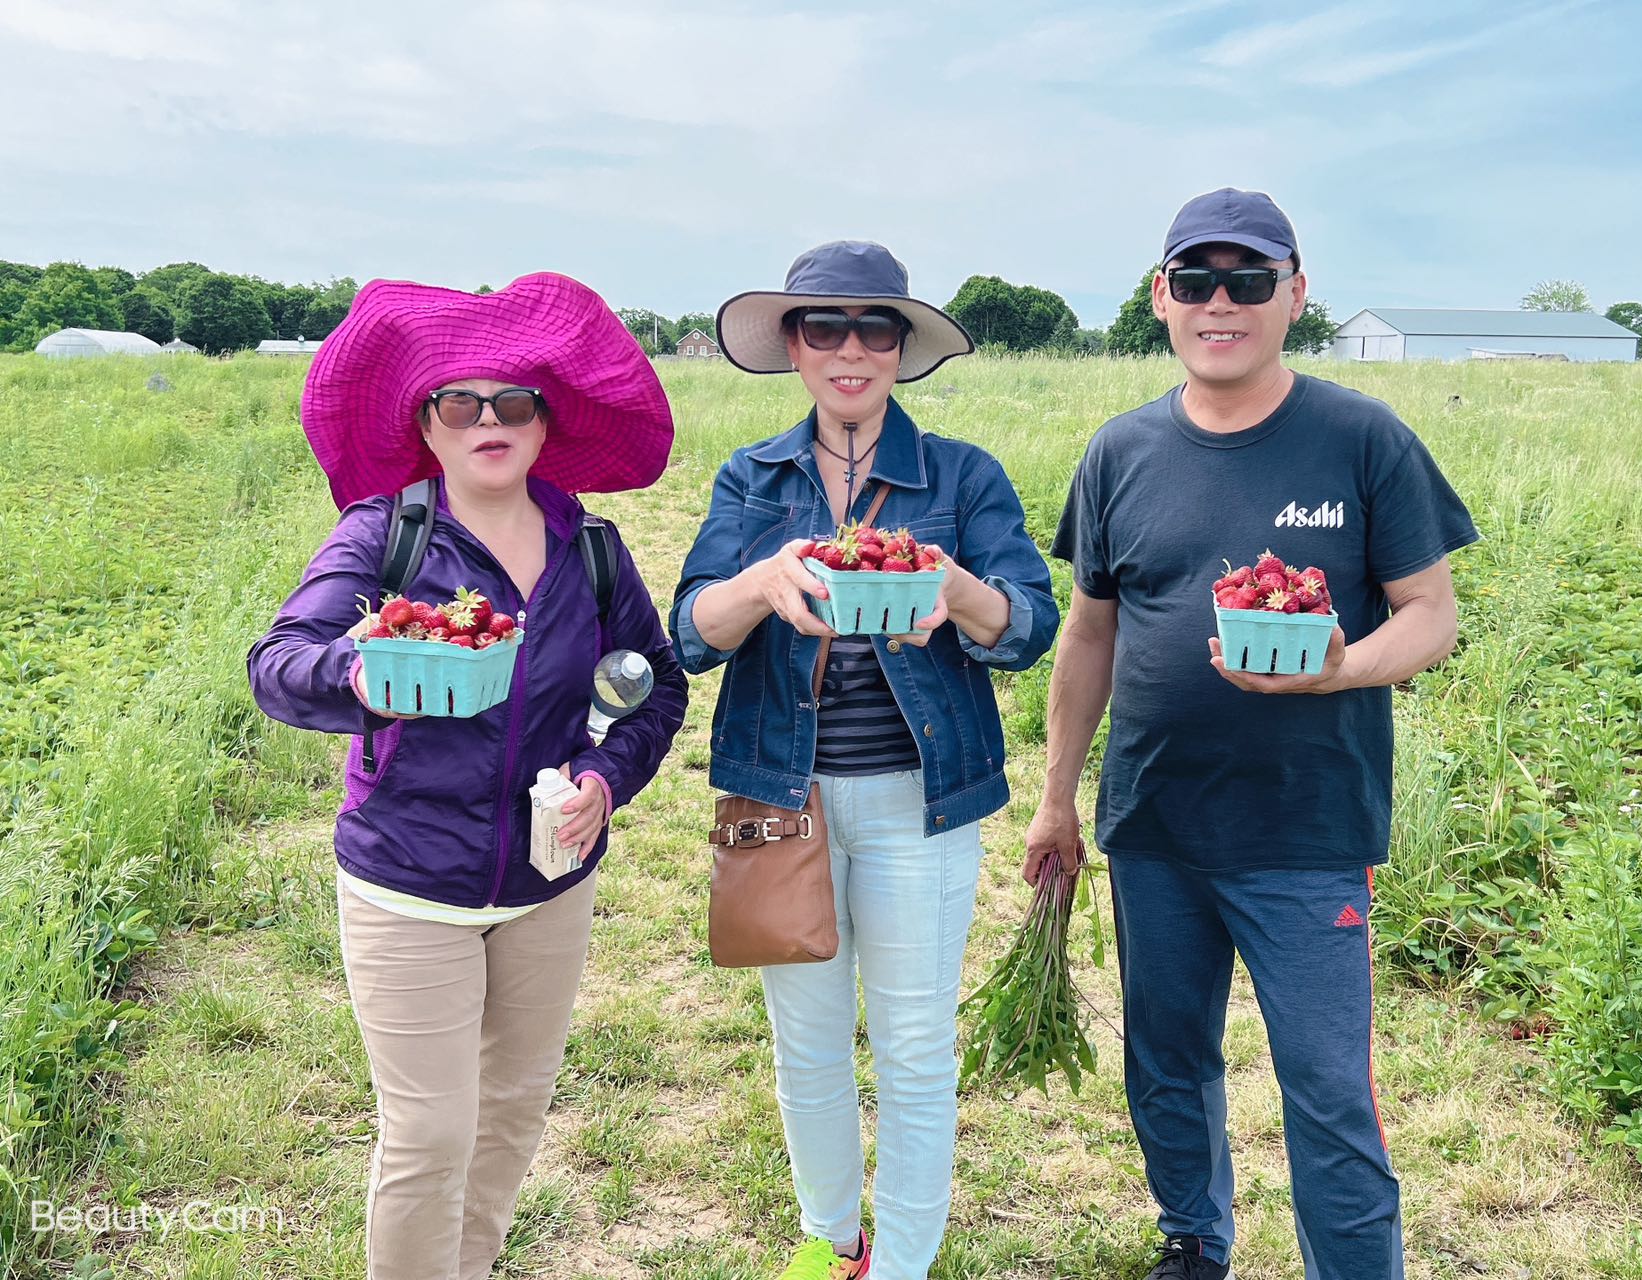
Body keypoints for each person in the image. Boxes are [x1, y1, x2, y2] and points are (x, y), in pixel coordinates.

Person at [1028, 189, 1479, 1280]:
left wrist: (1344, 667)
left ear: (1295, 293)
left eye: (1247, 280)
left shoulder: (1362, 436)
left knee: (1327, 1087)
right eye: (1196, 281)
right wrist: (1056, 798)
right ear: (1161, 298)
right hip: (1155, 823)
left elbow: (1432, 612)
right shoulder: (1120, 450)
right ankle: (1193, 1239)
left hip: (1307, 828)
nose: (1219, 303)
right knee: (1166, 1060)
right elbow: (1089, 635)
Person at [247, 273, 688, 1280]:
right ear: (428, 425)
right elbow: (278, 665)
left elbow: (655, 686)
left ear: (544, 422)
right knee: (429, 1134)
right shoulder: (386, 535)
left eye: (513, 402)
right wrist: (368, 672)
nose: (488, 419)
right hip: (410, 879)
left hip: (549, 880)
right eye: (460, 402)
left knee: (511, 1115)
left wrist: (605, 775)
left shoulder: (594, 548)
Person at [671, 240, 1058, 1280]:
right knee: (806, 1040)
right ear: (793, 345)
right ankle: (830, 1234)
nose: (850, 349)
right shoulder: (751, 478)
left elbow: (1029, 626)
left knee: (916, 1042)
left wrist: (955, 588)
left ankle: (905, 1260)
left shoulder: (962, 476)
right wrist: (760, 580)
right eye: (824, 327)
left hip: (920, 799)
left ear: (901, 346)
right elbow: (689, 632)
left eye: (874, 328)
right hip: (780, 793)